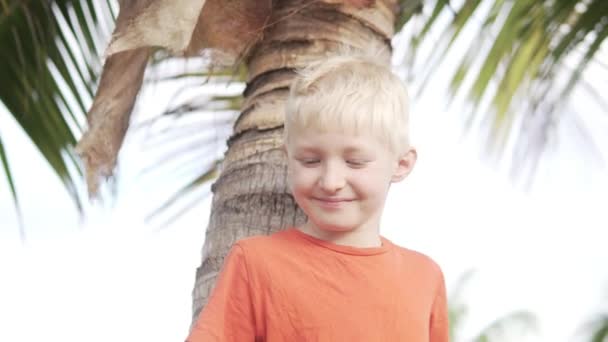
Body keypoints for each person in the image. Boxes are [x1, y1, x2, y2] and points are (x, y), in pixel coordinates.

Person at [186, 52, 449, 342]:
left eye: (355, 162)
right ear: (289, 158)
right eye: (310, 161)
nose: (331, 182)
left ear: (401, 164)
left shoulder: (424, 277)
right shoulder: (255, 262)